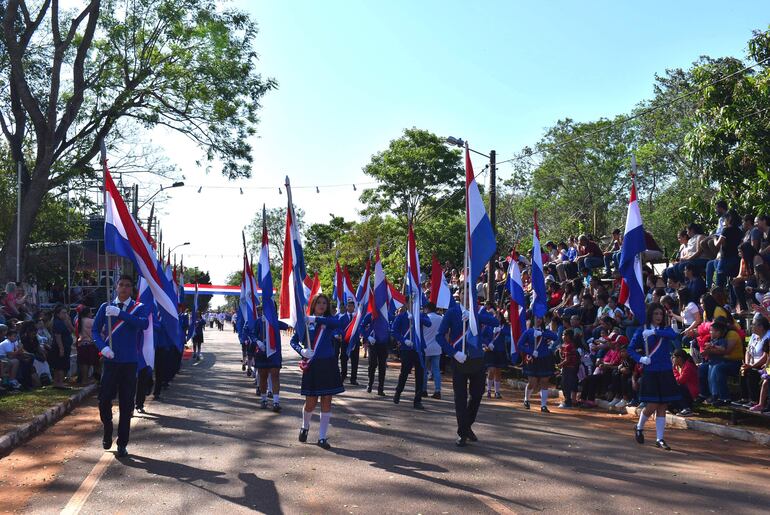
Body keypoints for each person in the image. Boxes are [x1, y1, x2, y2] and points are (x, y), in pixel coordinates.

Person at [92, 275, 150, 458]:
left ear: (132, 289)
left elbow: (143, 324)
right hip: (110, 360)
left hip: (129, 362)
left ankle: (122, 442)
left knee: (126, 404)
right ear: (116, 287)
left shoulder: (138, 308)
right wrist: (103, 347)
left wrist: (121, 314)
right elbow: (94, 331)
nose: (124, 288)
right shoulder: (106, 307)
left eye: (127, 285)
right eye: (121, 285)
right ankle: (108, 429)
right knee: (104, 400)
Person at [436, 300, 499, 447]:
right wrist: (454, 353)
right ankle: (463, 433)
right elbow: (440, 336)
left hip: (477, 359)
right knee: (460, 397)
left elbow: (495, 322)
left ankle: (465, 426)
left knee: (477, 394)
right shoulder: (452, 312)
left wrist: (473, 316)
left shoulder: (479, 312)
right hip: (460, 359)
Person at [290, 293, 344, 450]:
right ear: (313, 304)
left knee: (327, 399)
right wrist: (302, 351)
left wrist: (316, 320)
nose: (322, 305)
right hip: (313, 365)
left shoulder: (328, 321)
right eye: (319, 302)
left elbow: (336, 324)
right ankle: (305, 426)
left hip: (328, 364)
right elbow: (293, 341)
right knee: (311, 403)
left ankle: (322, 437)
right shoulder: (305, 322)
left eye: (324, 303)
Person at [628, 303, 680, 451]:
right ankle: (639, 427)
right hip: (651, 370)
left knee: (663, 404)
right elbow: (631, 349)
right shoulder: (642, 330)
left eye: (661, 314)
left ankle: (660, 438)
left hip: (665, 370)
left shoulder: (665, 329)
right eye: (656, 314)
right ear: (650, 314)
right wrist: (641, 359)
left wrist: (655, 333)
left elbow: (673, 335)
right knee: (653, 404)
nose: (658, 317)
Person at [391, 304, 432, 410]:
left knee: (420, 375)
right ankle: (398, 392)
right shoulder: (401, 316)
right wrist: (403, 340)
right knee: (404, 372)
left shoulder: (421, 315)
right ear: (407, 304)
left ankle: (417, 400)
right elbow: (394, 331)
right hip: (407, 349)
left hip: (419, 349)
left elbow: (429, 323)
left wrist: (417, 317)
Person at [518, 317, 559, 413]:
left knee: (544, 382)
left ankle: (543, 405)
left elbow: (556, 337)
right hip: (533, 359)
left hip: (545, 358)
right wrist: (530, 351)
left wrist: (542, 333)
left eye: (540, 318)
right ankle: (526, 399)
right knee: (533, 382)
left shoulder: (546, 331)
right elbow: (520, 344)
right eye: (537, 318)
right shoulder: (528, 332)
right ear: (533, 320)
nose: (539, 320)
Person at [253, 305, 289, 412]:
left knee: (275, 375)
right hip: (262, 353)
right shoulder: (258, 322)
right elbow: (252, 334)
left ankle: (276, 402)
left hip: (274, 353)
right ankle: (264, 399)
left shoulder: (275, 322)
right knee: (263, 376)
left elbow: (287, 326)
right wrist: (258, 342)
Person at [741, 317, 770, 407]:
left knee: (752, 372)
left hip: (762, 364)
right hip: (752, 363)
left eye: (753, 324)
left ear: (761, 327)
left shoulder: (768, 337)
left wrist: (752, 365)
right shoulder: (753, 335)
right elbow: (748, 350)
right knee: (743, 370)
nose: (751, 326)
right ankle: (744, 398)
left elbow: (766, 356)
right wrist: (747, 363)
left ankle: (755, 400)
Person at [484, 309, 510, 399]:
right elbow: (483, 336)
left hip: (500, 351)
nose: (497, 318)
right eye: (495, 317)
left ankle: (497, 392)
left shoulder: (504, 326)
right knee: (491, 370)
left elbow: (509, 333)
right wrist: (488, 343)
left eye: (498, 317)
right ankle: (488, 390)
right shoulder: (489, 326)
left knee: (498, 372)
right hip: (491, 351)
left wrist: (501, 330)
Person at [50, 304, 75, 389]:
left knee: (61, 365)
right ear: (58, 314)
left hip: (65, 346)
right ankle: (59, 383)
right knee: (60, 365)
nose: (65, 314)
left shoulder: (63, 322)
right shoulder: (57, 322)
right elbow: (58, 336)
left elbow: (72, 331)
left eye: (66, 313)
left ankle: (57, 382)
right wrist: (61, 348)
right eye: (63, 313)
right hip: (59, 347)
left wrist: (68, 322)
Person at [422, 302, 444, 398]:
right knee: (436, 370)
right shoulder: (441, 318)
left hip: (426, 346)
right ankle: (437, 390)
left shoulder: (425, 318)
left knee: (424, 370)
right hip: (437, 347)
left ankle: (424, 390)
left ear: (427, 309)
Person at [336, 299, 360, 385]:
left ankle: (353, 378)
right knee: (344, 359)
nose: (350, 307)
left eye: (352, 306)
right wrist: (343, 334)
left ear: (354, 307)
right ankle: (343, 375)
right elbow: (338, 328)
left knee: (355, 360)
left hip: (354, 342)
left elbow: (359, 328)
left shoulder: (357, 318)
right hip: (345, 341)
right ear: (346, 307)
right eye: (348, 306)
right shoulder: (342, 318)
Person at [671, 349, 698, 416]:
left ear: (679, 358)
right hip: (685, 391)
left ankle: (687, 408)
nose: (672, 359)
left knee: (676, 386)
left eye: (673, 357)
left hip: (691, 392)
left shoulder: (688, 366)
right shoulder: (677, 367)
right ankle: (676, 407)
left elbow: (680, 380)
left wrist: (674, 372)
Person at [557, 328, 579, 408]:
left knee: (565, 385)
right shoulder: (566, 345)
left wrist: (560, 365)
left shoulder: (569, 346)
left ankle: (568, 402)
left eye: (564, 335)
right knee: (564, 384)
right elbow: (564, 357)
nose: (562, 336)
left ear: (568, 336)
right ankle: (568, 401)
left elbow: (567, 360)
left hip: (569, 368)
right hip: (568, 368)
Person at [76, 308, 98, 385]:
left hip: (82, 344)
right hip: (89, 344)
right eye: (91, 312)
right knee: (89, 363)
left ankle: (84, 379)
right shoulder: (90, 321)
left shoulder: (79, 320)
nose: (91, 314)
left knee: (84, 363)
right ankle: (87, 379)